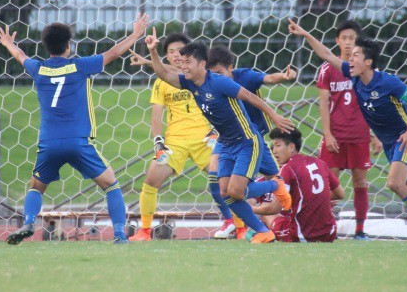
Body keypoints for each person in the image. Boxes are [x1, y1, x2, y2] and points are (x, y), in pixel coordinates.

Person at [0, 14, 150, 245]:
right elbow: (114, 53)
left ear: (47, 47)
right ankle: (119, 234)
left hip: (49, 143)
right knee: (111, 184)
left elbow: (21, 56)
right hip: (78, 142)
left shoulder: (38, 69)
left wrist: (9, 44)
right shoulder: (79, 66)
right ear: (69, 45)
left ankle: (28, 221)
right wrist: (136, 34)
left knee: (36, 188)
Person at [145, 31, 295, 243]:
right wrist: (152, 52)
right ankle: (263, 231)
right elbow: (163, 74)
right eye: (182, 62)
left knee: (236, 191)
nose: (183, 66)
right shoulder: (189, 83)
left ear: (201, 64)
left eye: (188, 62)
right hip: (224, 144)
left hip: (246, 142)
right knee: (225, 193)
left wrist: (274, 116)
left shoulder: (219, 82)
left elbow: (250, 97)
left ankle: (275, 185)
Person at [289, 18, 407, 243]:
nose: (350, 57)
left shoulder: (388, 82)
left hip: (404, 141)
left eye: (355, 55)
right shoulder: (354, 77)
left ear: (368, 61)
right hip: (391, 144)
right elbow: (326, 55)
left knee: (394, 183)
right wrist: (305, 34)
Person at [127, 34, 214, 242]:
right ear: (166, 56)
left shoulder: (200, 75)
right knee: (151, 180)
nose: (176, 55)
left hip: (205, 138)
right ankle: (145, 231)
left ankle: (239, 227)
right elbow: (156, 113)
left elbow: (179, 71)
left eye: (180, 51)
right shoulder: (162, 82)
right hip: (174, 141)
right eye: (171, 52)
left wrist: (150, 59)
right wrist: (158, 140)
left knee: (226, 181)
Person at [207, 45, 297, 239]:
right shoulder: (209, 81)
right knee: (219, 181)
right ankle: (234, 222)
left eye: (220, 73)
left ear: (231, 68)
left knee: (274, 178)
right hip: (227, 138)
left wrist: (284, 76)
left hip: (252, 138)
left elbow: (269, 78)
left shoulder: (245, 77)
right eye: (213, 73)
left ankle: (285, 214)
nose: (217, 78)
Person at [316, 20, 383, 240]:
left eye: (351, 38)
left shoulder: (366, 70)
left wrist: (375, 134)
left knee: (359, 183)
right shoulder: (327, 69)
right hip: (335, 136)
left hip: (359, 135)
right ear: (336, 41)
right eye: (343, 38)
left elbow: (375, 103)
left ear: (358, 42)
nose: (347, 43)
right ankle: (326, 226)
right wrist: (327, 134)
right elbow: (323, 103)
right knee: (328, 184)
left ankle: (360, 230)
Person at [251, 128, 345, 242]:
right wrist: (316, 197)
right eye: (273, 147)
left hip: (303, 234)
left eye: (278, 145)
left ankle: (260, 231)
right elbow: (340, 194)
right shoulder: (320, 163)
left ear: (291, 147)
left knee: (267, 214)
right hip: (330, 233)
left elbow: (274, 208)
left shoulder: (288, 168)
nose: (274, 151)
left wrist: (248, 210)